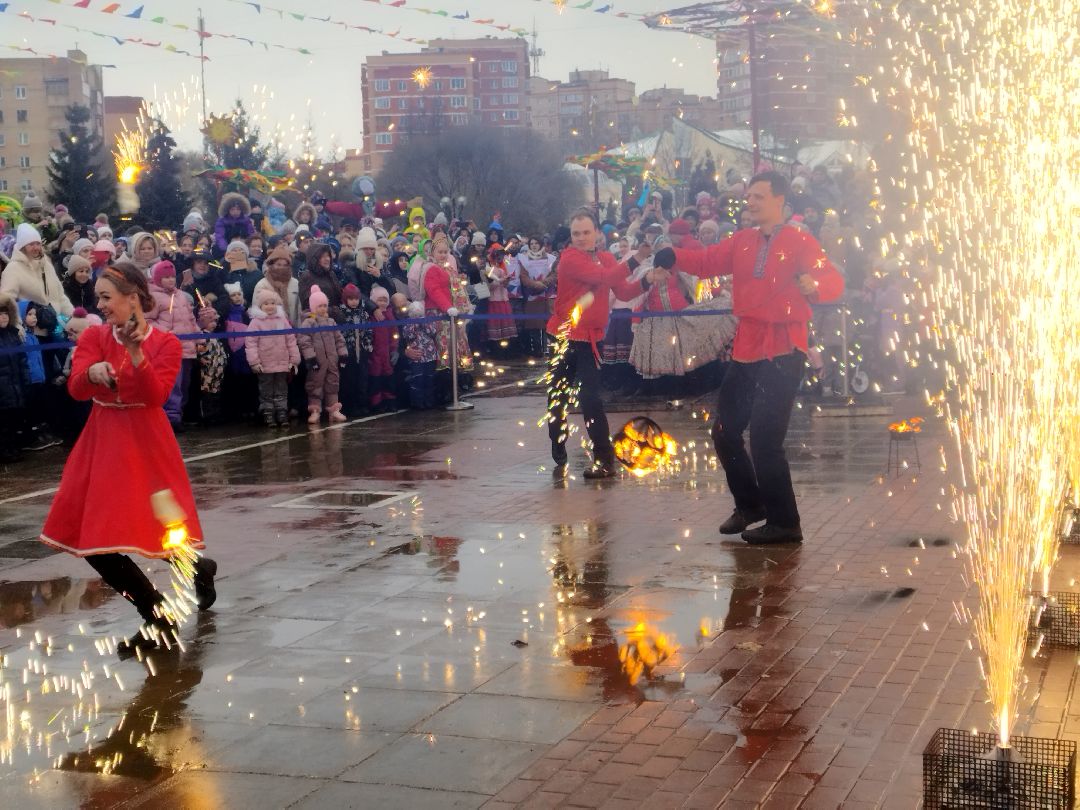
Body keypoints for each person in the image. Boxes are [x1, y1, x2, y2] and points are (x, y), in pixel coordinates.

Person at [38, 261, 216, 655]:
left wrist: (136, 353)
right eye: (98, 297)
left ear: (131, 297)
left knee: (161, 527)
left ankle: (197, 568)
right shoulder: (95, 337)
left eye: (106, 297)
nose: (100, 304)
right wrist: (93, 373)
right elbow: (76, 389)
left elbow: (154, 396)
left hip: (147, 444)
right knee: (97, 541)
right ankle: (156, 615)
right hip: (102, 443)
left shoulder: (166, 343)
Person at [663, 170, 844, 544]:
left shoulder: (800, 240)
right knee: (725, 431)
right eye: (749, 197)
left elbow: (833, 280)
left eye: (758, 196)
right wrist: (672, 255)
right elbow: (707, 262)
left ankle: (785, 523)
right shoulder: (741, 241)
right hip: (746, 347)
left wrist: (816, 285)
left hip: (784, 349)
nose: (750, 202)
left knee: (764, 439)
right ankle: (750, 504)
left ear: (779, 199)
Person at [546, 208, 666, 479]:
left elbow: (622, 289)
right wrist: (636, 259)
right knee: (558, 400)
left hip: (591, 340)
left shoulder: (606, 257)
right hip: (563, 338)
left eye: (586, 232)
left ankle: (604, 459)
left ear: (597, 233)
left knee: (590, 399)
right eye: (576, 233)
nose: (581, 238)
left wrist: (646, 280)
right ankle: (557, 439)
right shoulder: (569, 258)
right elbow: (603, 279)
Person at [245, 286, 300, 427]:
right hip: (264, 364)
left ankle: (281, 412)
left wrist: (294, 360)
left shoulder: (283, 320)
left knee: (282, 388)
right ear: (260, 306)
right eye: (266, 303)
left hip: (282, 363)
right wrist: (254, 362)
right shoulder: (255, 323)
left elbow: (291, 341)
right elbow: (251, 344)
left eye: (272, 303)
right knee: (266, 389)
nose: (270, 306)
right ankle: (268, 413)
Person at [0, 223, 74, 318]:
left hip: (55, 326)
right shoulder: (13, 268)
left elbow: (60, 296)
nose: (36, 248)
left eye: (38, 243)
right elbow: (7, 301)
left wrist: (74, 316)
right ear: (23, 247)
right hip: (31, 328)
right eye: (31, 244)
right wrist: (18, 325)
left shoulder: (46, 265)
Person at [298, 284, 347, 424]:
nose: (323, 309)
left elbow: (339, 339)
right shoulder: (308, 323)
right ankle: (315, 410)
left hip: (332, 360)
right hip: (317, 362)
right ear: (313, 307)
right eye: (320, 306)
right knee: (315, 385)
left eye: (325, 306)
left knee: (333, 383)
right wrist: (310, 358)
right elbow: (304, 341)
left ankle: (334, 409)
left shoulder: (331, 322)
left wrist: (342, 354)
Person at [0, 293, 30, 462]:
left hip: (15, 386)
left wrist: (25, 383)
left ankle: (13, 448)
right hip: (3, 389)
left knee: (13, 421)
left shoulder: (14, 334)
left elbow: (22, 361)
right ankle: (5, 451)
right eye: (0, 314)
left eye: (5, 313)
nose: (3, 317)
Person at [338, 283, 372, 418]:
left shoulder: (363, 313)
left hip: (362, 350)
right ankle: (349, 406)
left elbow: (369, 329)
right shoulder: (341, 314)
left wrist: (368, 344)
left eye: (356, 299)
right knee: (348, 379)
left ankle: (362, 404)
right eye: (350, 299)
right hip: (348, 351)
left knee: (362, 378)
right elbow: (340, 333)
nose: (353, 302)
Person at [367, 285, 397, 412]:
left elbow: (394, 334)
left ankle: (390, 400)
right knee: (376, 378)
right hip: (375, 353)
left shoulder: (390, 315)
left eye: (385, 300)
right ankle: (376, 403)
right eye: (380, 300)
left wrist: (394, 349)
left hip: (387, 352)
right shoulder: (371, 317)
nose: (383, 303)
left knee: (388, 378)